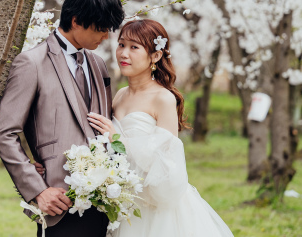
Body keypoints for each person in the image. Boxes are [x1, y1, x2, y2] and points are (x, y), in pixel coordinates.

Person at [0, 0, 125, 237]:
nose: (105, 35)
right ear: (75, 21)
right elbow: (4, 133)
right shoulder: (31, 64)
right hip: (58, 205)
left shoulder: (98, 64)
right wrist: (37, 190)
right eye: (100, 27)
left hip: (105, 205)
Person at [87, 19, 234, 237]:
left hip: (154, 206)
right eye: (121, 45)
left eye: (134, 47)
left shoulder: (163, 98)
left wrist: (118, 139)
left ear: (155, 56)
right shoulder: (119, 95)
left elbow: (168, 166)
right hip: (123, 199)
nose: (124, 54)